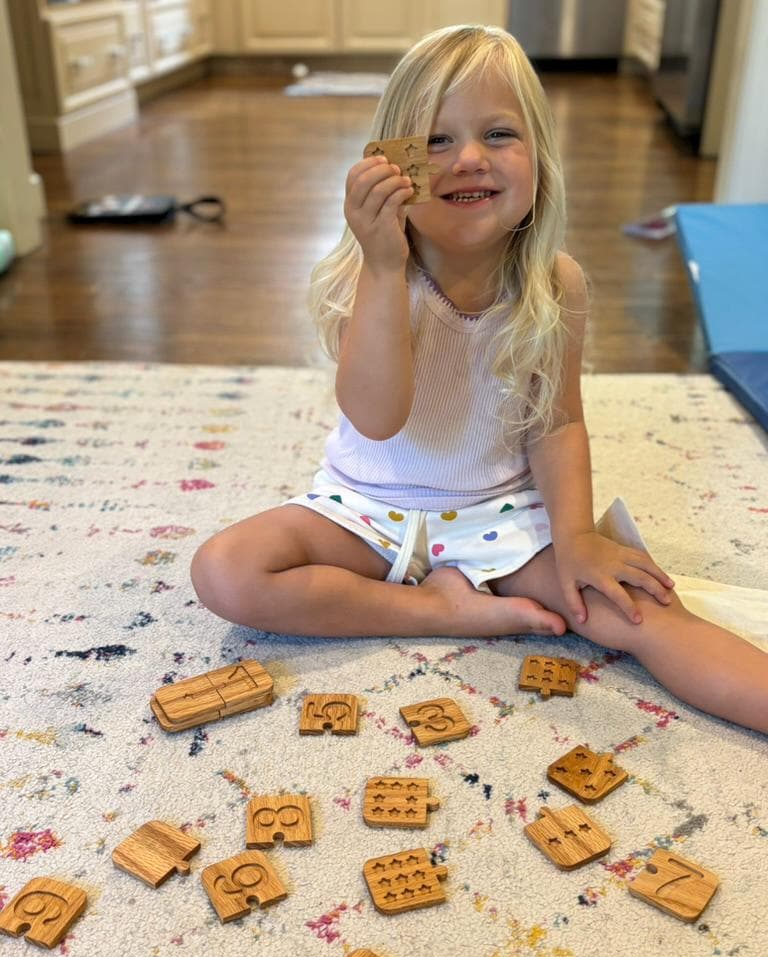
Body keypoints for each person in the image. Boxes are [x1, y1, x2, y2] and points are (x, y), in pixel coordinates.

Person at [191, 24, 768, 733]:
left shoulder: (556, 283)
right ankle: (434, 610)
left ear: (540, 159)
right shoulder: (366, 274)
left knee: (636, 610)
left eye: (499, 135)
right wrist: (382, 268)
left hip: (497, 517)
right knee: (225, 571)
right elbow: (376, 418)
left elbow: (557, 422)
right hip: (362, 509)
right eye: (435, 141)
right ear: (391, 163)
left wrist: (577, 537)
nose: (468, 158)